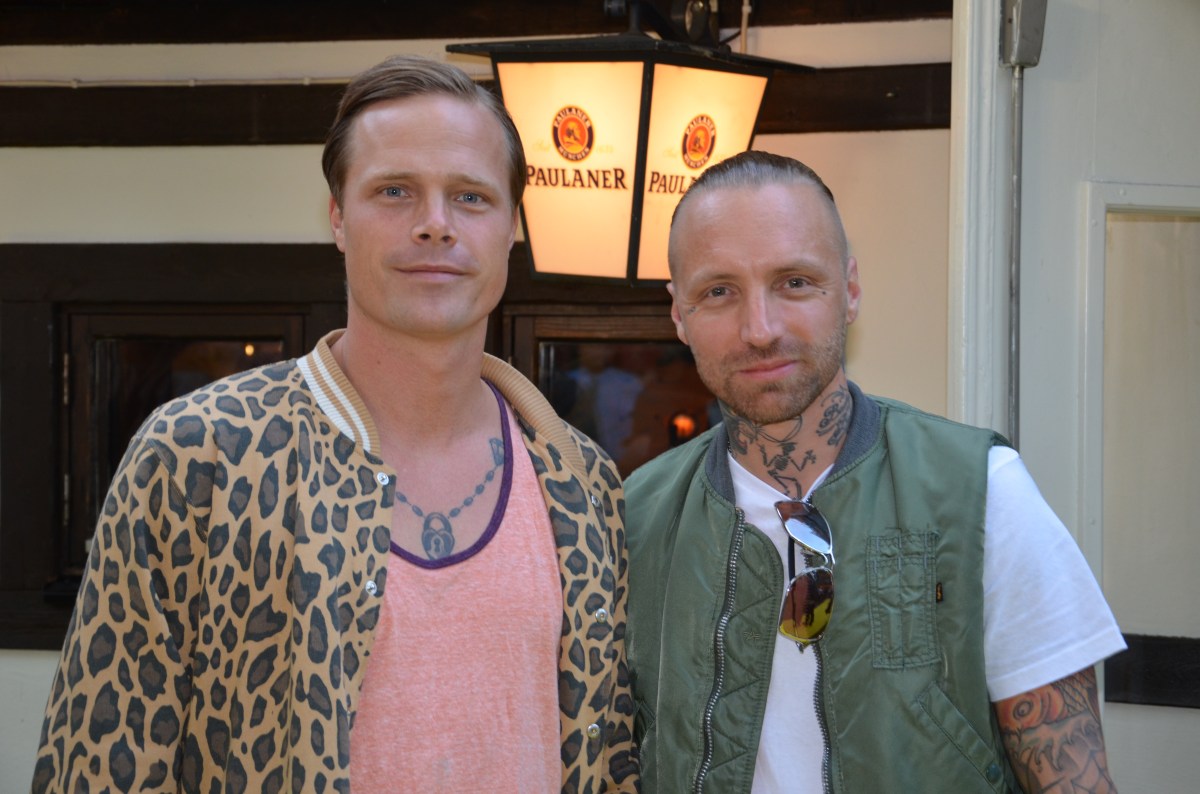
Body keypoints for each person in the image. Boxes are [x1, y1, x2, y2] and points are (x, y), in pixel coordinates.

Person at [33, 54, 638, 793]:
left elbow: (611, 762)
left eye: (471, 196)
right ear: (337, 218)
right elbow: (100, 765)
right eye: (394, 191)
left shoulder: (581, 482)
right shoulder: (200, 454)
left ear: (513, 225)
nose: (435, 224)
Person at [623, 151, 1125, 793]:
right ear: (678, 313)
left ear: (851, 289)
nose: (760, 329)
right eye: (719, 291)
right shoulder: (635, 518)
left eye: (794, 282)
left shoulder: (979, 491)